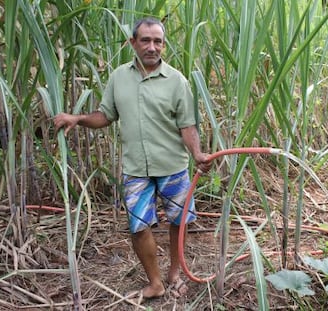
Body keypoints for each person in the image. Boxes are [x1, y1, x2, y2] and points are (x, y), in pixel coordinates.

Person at [54, 17, 212, 301]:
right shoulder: (118, 78)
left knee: (178, 221)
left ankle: (175, 273)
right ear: (133, 43)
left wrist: (198, 154)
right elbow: (106, 115)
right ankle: (156, 283)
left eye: (158, 41)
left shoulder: (177, 81)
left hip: (172, 166)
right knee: (139, 226)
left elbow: (187, 126)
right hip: (136, 168)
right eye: (145, 41)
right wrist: (78, 118)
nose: (152, 47)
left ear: (164, 45)